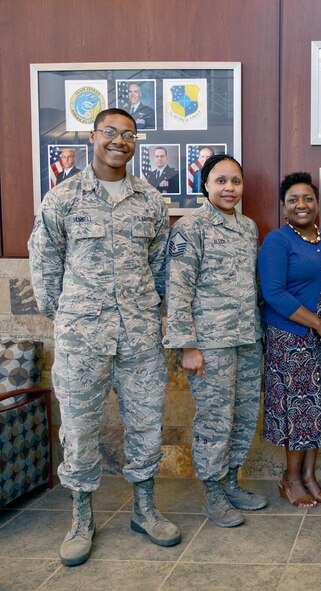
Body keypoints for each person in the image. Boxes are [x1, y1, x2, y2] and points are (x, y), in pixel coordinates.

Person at [28, 108, 180, 567]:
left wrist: (145, 312)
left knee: (146, 425)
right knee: (78, 430)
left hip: (139, 338)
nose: (119, 140)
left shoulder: (151, 201)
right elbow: (45, 268)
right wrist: (70, 317)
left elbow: (160, 267)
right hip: (82, 340)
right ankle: (80, 518)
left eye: (128, 134)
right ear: (92, 137)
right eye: (110, 132)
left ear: (136, 143)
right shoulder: (63, 198)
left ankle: (144, 509)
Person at [163, 154, 267, 528]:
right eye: (220, 181)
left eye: (235, 181)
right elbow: (178, 288)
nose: (229, 188)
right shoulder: (191, 228)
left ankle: (231, 483)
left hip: (247, 338)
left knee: (244, 415)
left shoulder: (248, 227)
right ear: (205, 185)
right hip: (210, 343)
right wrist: (187, 346)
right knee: (214, 420)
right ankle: (213, 494)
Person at [258, 172, 321, 508]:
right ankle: (291, 479)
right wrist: (320, 327)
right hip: (293, 338)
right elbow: (274, 293)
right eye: (293, 200)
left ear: (317, 203)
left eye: (308, 198)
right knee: (300, 410)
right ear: (284, 207)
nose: (302, 204)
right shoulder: (277, 241)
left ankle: (311, 477)